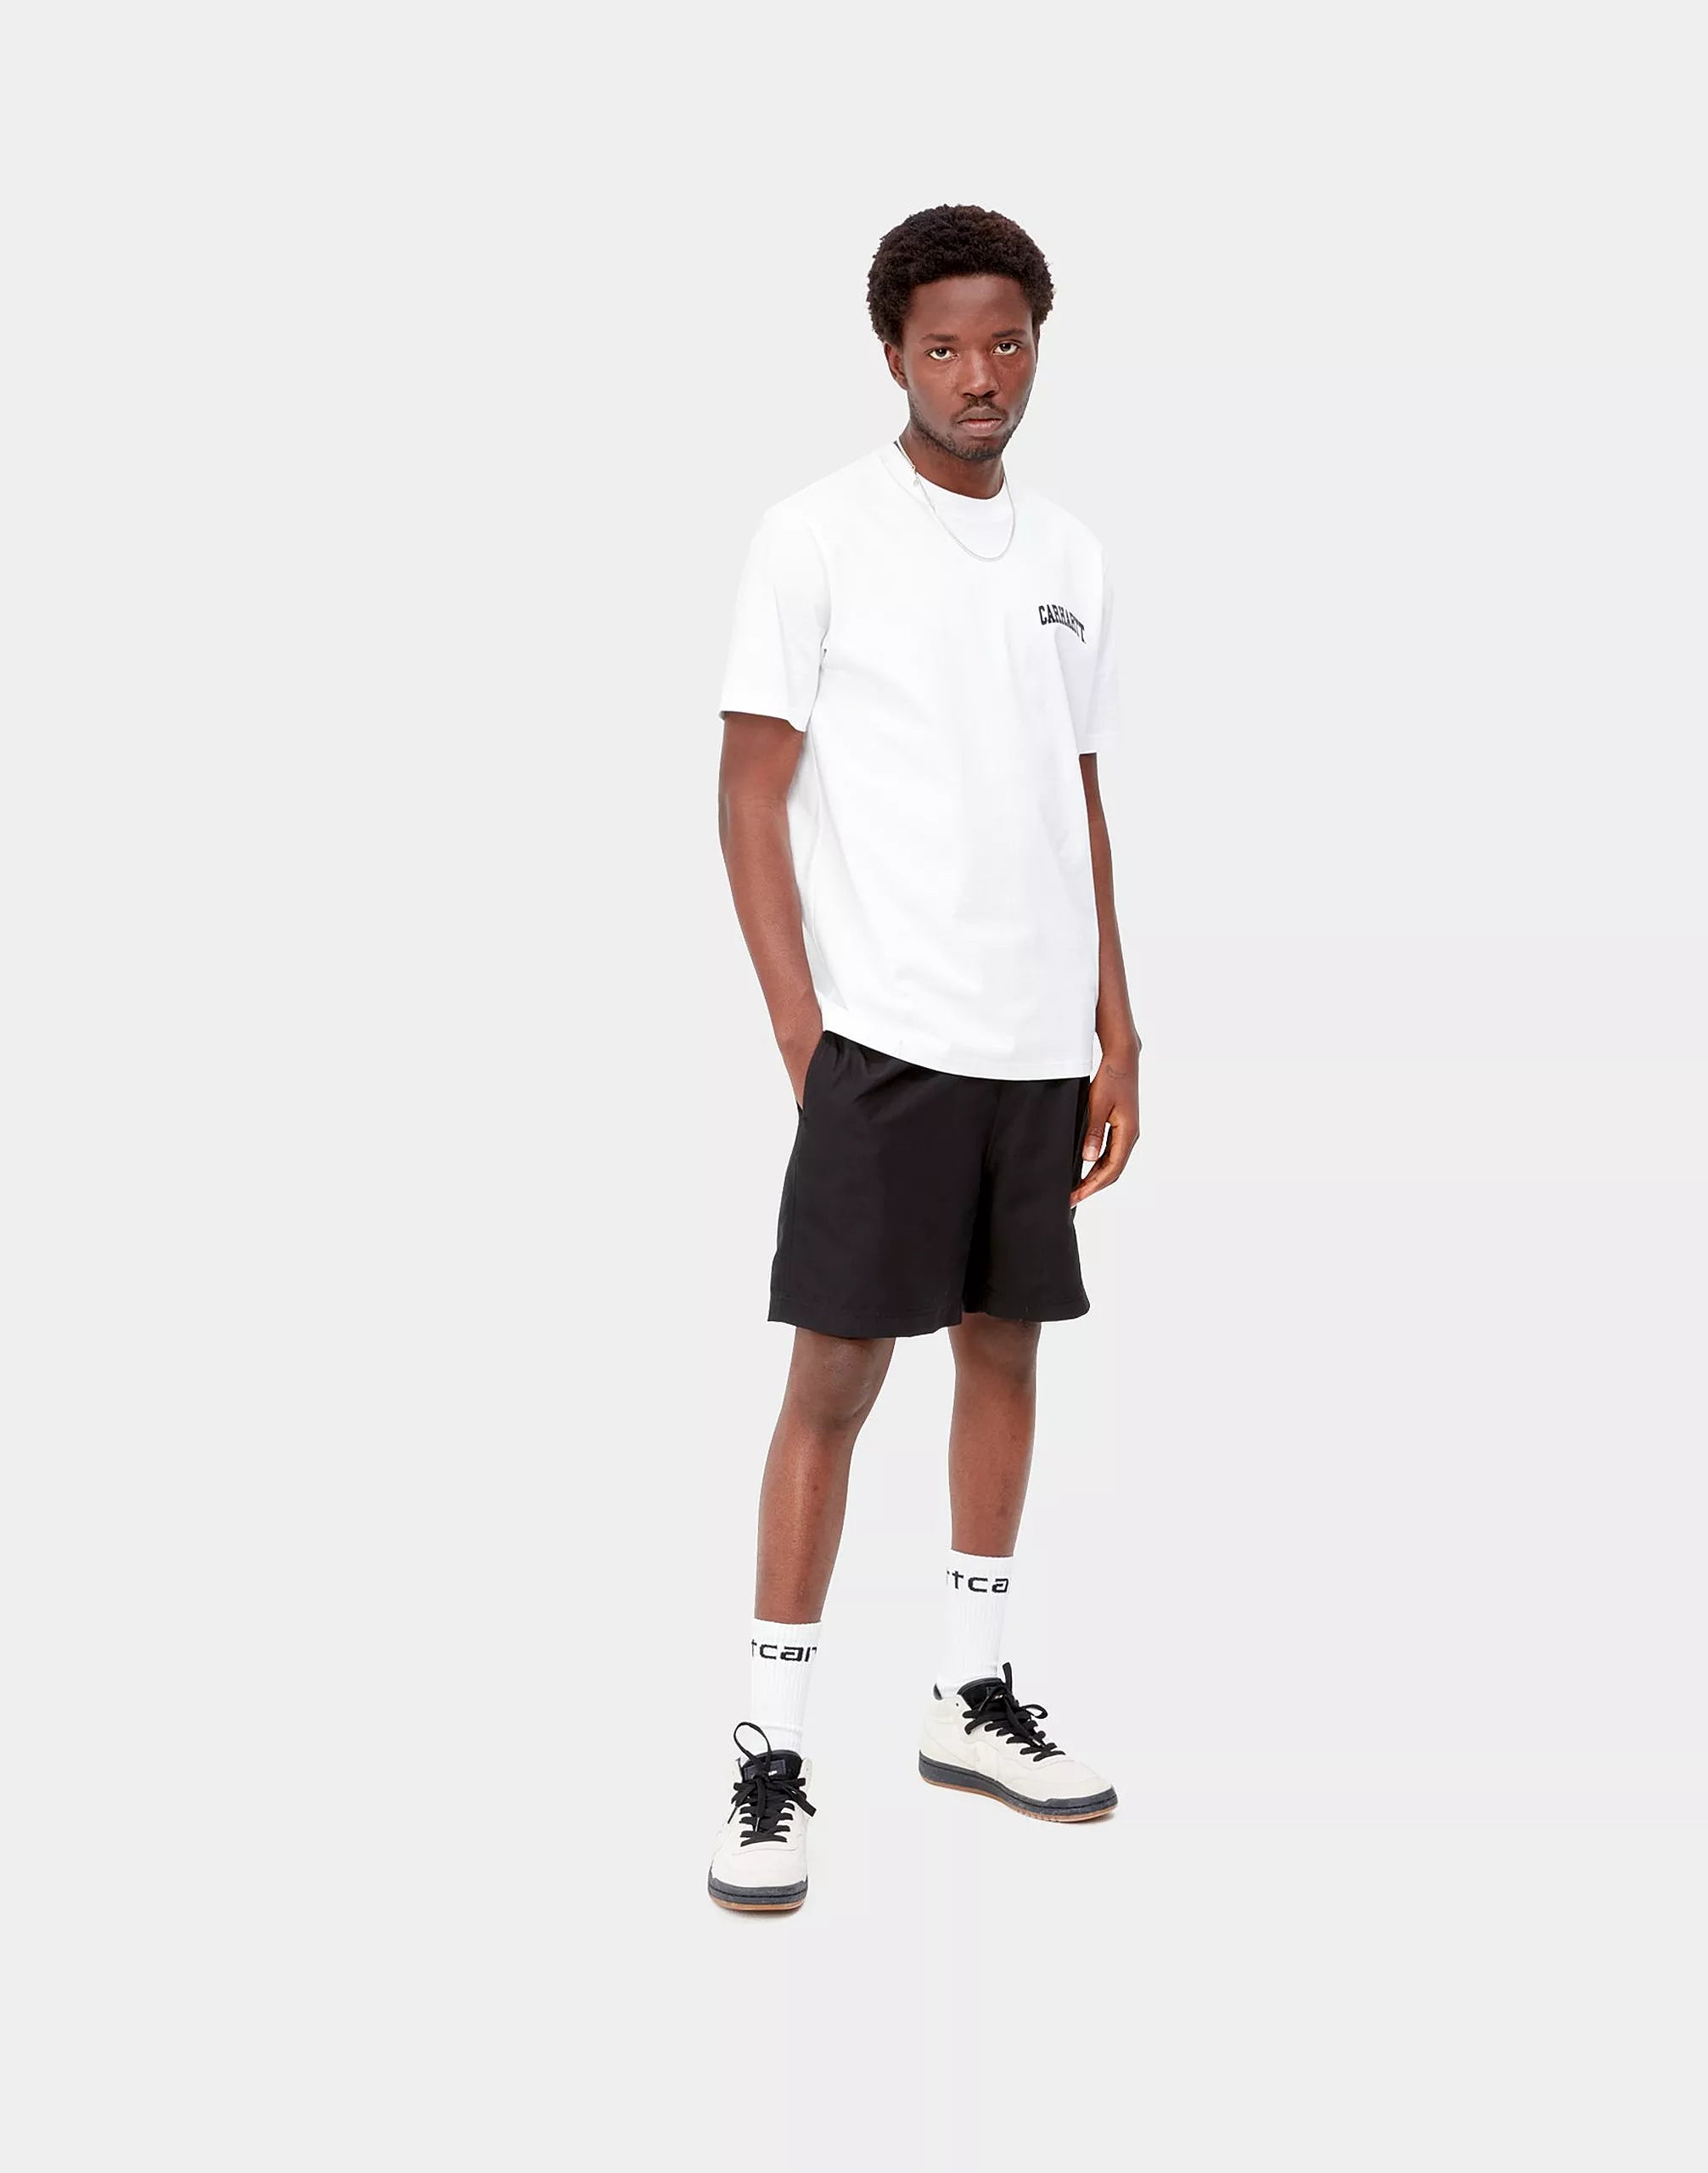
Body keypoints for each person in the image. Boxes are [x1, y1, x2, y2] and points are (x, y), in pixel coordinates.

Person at [705, 205, 1141, 1912]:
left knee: (1005, 1354)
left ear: (1038, 345)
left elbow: (1075, 794)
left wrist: (1113, 1020)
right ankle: (765, 1749)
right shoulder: (814, 535)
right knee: (833, 1381)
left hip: (1034, 1042)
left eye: (1006, 341)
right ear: (892, 352)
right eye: (945, 346)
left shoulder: (1072, 556)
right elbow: (749, 791)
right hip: (885, 1042)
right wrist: (800, 1030)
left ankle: (970, 1693)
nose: (979, 375)